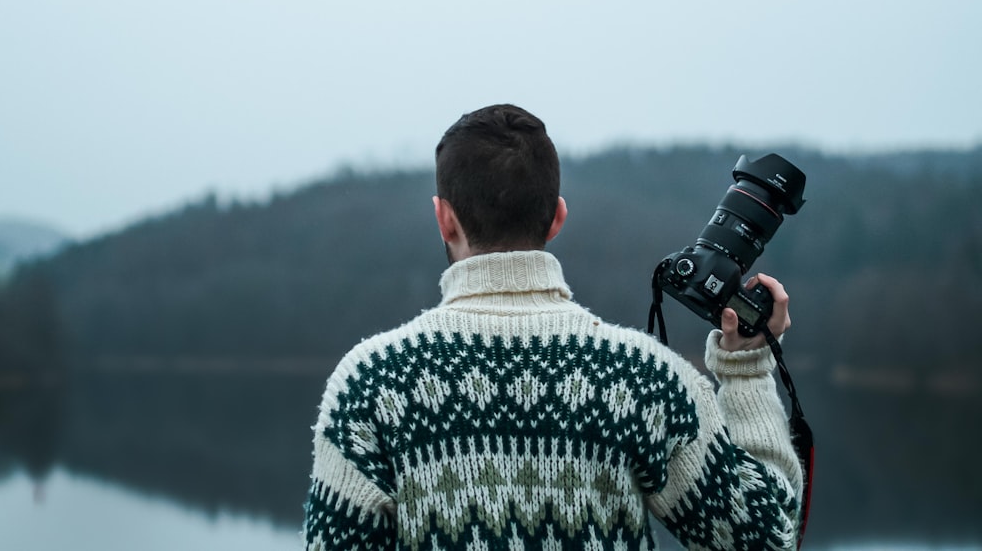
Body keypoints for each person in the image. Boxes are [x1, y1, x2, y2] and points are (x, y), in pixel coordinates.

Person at [303, 104, 803, 550]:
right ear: (556, 218)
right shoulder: (642, 378)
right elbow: (767, 538)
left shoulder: (369, 383)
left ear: (444, 219)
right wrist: (746, 369)